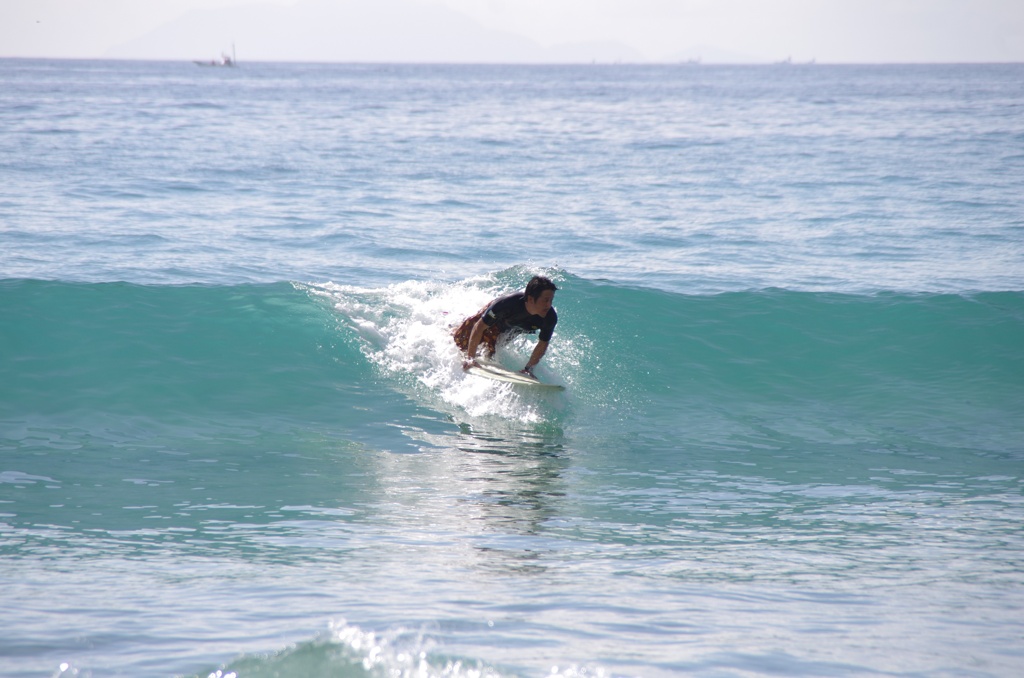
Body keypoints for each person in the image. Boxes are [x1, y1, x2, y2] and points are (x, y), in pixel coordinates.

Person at [453, 276, 558, 376]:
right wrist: (471, 358)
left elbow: (543, 343)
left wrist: (528, 369)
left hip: (509, 330)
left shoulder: (550, 318)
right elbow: (479, 327)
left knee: (488, 354)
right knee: (459, 341)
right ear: (530, 299)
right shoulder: (506, 304)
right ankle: (451, 328)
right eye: (545, 300)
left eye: (551, 300)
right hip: (492, 319)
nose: (549, 305)